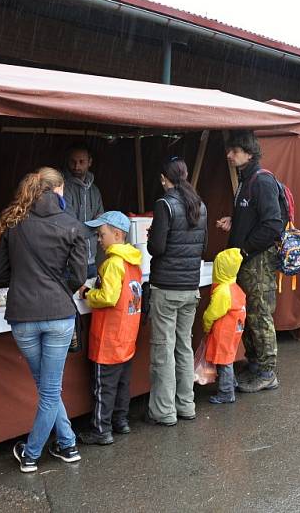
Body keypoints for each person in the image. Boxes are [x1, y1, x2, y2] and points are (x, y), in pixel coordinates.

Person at [0, 167, 87, 473]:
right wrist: (60, 292)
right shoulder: (72, 225)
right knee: (49, 390)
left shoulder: (12, 222)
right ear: (56, 190)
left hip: (23, 315)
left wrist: (24, 282)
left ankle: (55, 447)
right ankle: (48, 450)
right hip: (59, 314)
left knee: (46, 388)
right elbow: (80, 276)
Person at [216, 131, 284, 393]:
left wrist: (244, 250)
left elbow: (273, 226)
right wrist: (235, 222)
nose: (229, 155)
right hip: (244, 261)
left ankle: (267, 371)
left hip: (257, 262)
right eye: (230, 149)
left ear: (249, 153)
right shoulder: (245, 180)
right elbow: (254, 218)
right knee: (247, 313)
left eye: (234, 150)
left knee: (259, 315)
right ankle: (255, 364)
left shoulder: (261, 181)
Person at [146, 156, 207, 426]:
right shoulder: (200, 205)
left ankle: (164, 411)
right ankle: (186, 405)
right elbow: (202, 246)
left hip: (166, 288)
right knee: (184, 348)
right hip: (190, 288)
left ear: (163, 178)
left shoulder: (165, 204)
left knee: (163, 349)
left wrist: (151, 236)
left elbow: (156, 248)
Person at [76, 211, 142, 445]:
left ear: (117, 234)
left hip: (109, 337)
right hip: (126, 335)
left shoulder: (113, 263)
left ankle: (101, 430)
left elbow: (108, 297)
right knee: (122, 384)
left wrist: (87, 293)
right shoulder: (133, 262)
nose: (98, 239)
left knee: (104, 387)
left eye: (101, 234)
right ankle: (120, 421)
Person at [202, 248, 247, 404]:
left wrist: (206, 325)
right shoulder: (235, 287)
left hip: (224, 332)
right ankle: (231, 383)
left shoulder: (222, 291)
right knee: (227, 358)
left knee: (223, 361)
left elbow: (212, 313)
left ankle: (226, 392)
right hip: (235, 330)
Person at [63, 142, 105, 278]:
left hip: (91, 260)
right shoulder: (63, 189)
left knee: (90, 298)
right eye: (73, 162)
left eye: (82, 162)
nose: (77, 166)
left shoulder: (95, 190)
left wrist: (93, 227)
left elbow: (102, 221)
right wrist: (94, 228)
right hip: (69, 262)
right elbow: (70, 228)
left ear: (90, 162)